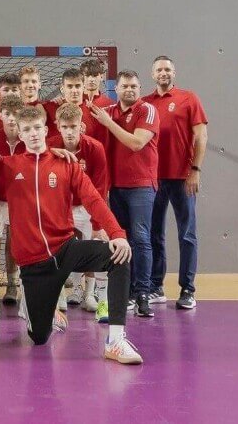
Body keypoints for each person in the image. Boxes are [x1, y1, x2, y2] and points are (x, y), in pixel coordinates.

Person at [0, 105, 142, 364]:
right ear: (20, 133)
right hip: (33, 264)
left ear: (46, 130)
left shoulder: (66, 164)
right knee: (39, 336)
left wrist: (116, 233)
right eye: (27, 129)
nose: (33, 133)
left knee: (119, 256)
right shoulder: (6, 166)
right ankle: (46, 314)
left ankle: (116, 341)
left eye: (37, 128)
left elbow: (93, 199)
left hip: (65, 249)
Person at [89, 70, 160, 318]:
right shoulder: (108, 111)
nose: (130, 90)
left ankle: (143, 293)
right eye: (125, 86)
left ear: (140, 88)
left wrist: (108, 124)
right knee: (121, 240)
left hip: (141, 186)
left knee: (141, 239)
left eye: (134, 86)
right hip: (116, 187)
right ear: (115, 89)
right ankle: (126, 292)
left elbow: (137, 143)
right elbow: (79, 115)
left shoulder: (147, 110)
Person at [142, 55, 208, 309]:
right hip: (153, 179)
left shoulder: (188, 98)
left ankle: (187, 289)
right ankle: (155, 287)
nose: (163, 73)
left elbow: (201, 136)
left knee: (187, 235)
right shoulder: (145, 103)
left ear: (174, 73)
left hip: (183, 179)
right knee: (154, 234)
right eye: (159, 69)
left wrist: (195, 169)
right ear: (153, 74)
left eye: (167, 69)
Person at [47, 103, 111, 322]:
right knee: (55, 252)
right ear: (57, 126)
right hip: (59, 208)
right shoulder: (49, 147)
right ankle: (60, 294)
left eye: (73, 126)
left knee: (99, 247)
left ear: (81, 126)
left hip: (86, 207)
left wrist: (98, 225)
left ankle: (96, 298)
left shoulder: (95, 148)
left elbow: (100, 189)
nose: (69, 131)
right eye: (65, 127)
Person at [0, 95, 26, 317]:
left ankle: (17, 290)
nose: (11, 118)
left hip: (22, 202)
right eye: (7, 114)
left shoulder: (29, 139)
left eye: (16, 114)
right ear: (0, 115)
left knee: (20, 248)